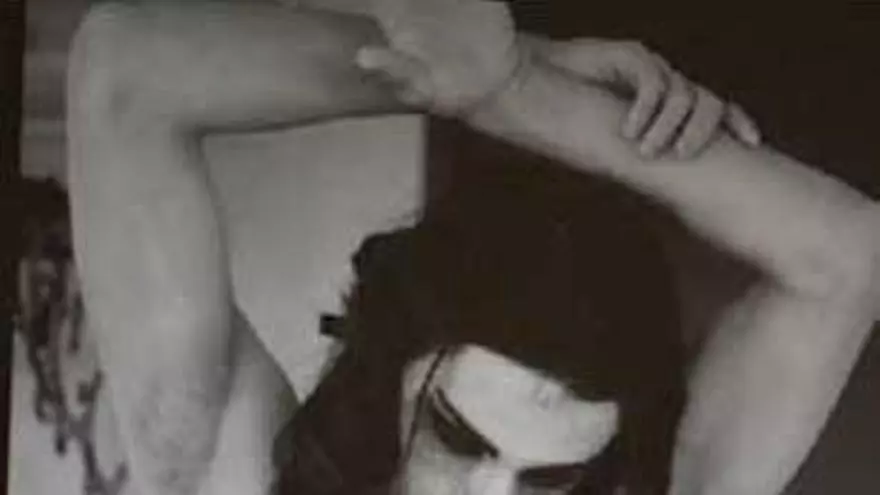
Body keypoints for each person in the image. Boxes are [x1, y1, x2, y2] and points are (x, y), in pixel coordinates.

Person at [65, 1, 879, 494]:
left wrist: (518, 90)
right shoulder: (234, 477)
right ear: (389, 375)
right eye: (456, 437)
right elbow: (127, 73)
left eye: (548, 480)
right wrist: (494, 78)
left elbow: (850, 256)